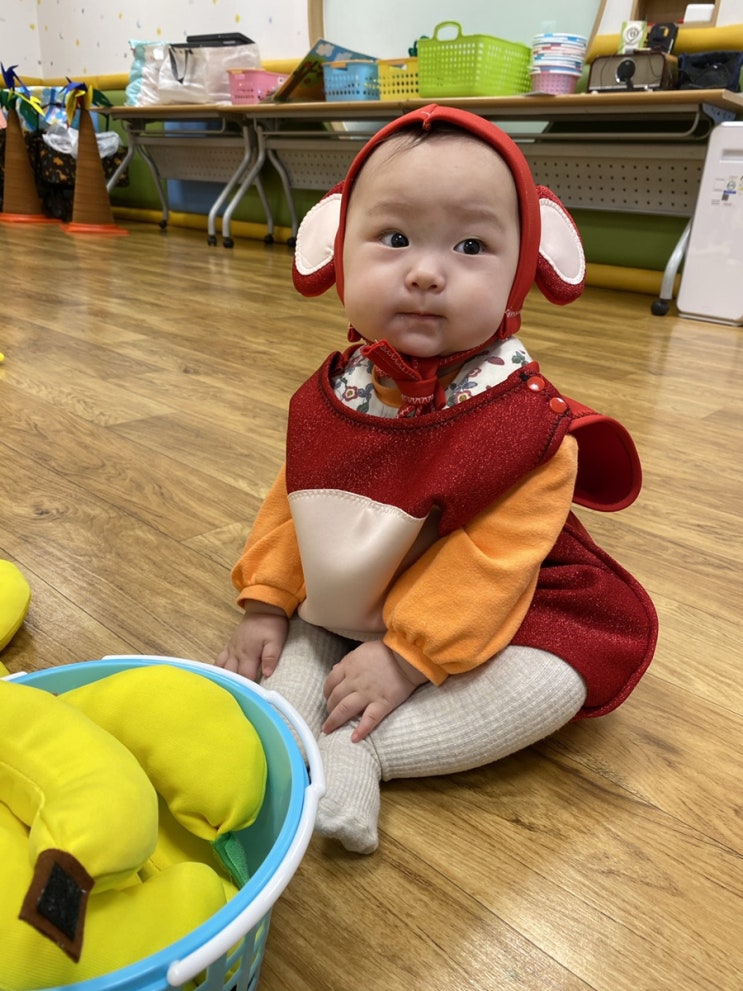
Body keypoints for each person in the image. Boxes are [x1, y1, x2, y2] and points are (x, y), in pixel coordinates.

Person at [217, 104, 657, 854]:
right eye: (394, 239)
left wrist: (406, 655)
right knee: (293, 650)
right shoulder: (334, 394)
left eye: (470, 245)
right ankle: (287, 734)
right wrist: (265, 601)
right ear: (336, 250)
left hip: (496, 601)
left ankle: (369, 749)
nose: (424, 271)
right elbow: (296, 503)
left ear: (523, 269)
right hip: (364, 582)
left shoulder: (528, 428)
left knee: (555, 676)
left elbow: (493, 562)